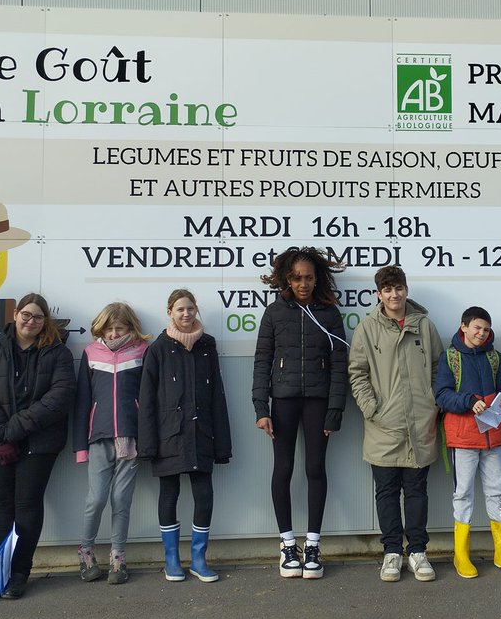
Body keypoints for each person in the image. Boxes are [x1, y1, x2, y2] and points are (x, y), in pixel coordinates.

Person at [0, 293, 75, 601]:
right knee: (0, 505)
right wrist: (2, 436)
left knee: (28, 504)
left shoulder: (58, 353)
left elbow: (58, 399)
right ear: (15, 314)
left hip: (38, 443)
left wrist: (13, 432)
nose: (31, 321)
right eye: (26, 315)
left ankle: (19, 573)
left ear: (45, 322)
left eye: (38, 317)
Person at [252, 247, 349, 579]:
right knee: (283, 468)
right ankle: (286, 545)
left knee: (315, 469)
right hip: (283, 401)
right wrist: (260, 408)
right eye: (296, 277)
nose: (303, 283)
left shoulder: (330, 314)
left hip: (319, 403)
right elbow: (262, 361)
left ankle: (312, 547)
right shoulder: (275, 313)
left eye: (308, 277)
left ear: (317, 277)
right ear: (286, 279)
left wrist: (335, 409)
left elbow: (340, 367)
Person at [348, 266, 443, 582]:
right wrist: (371, 408)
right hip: (383, 426)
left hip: (420, 423)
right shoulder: (368, 328)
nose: (394, 295)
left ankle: (417, 551)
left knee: (417, 491)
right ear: (379, 294)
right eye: (387, 289)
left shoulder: (424, 326)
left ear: (406, 289)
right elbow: (357, 372)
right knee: (386, 491)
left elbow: (437, 369)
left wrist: (432, 403)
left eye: (398, 288)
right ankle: (391, 552)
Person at [139, 289, 232, 582]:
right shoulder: (157, 349)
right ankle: (171, 560)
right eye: (179, 309)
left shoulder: (208, 346)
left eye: (190, 308)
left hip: (202, 433)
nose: (186, 314)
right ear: (170, 312)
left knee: (204, 496)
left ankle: (199, 558)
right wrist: (148, 445)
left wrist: (223, 444)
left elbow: (217, 393)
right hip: (169, 435)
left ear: (196, 310)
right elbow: (147, 400)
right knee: (169, 495)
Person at [434, 306, 501, 579]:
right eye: (476, 328)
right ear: (463, 326)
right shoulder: (450, 357)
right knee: (463, 494)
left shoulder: (495, 357)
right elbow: (442, 395)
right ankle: (461, 555)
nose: (481, 333)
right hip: (463, 437)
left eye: (485, 329)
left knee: (497, 491)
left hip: (493, 435)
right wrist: (469, 401)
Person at [73, 302, 151, 584]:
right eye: (109, 328)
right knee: (95, 499)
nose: (115, 333)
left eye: (120, 327)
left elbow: (150, 397)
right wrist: (80, 446)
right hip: (99, 437)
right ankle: (85, 553)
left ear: (131, 327)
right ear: (101, 329)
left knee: (121, 500)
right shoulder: (91, 353)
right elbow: (82, 401)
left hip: (130, 437)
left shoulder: (143, 351)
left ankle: (118, 559)